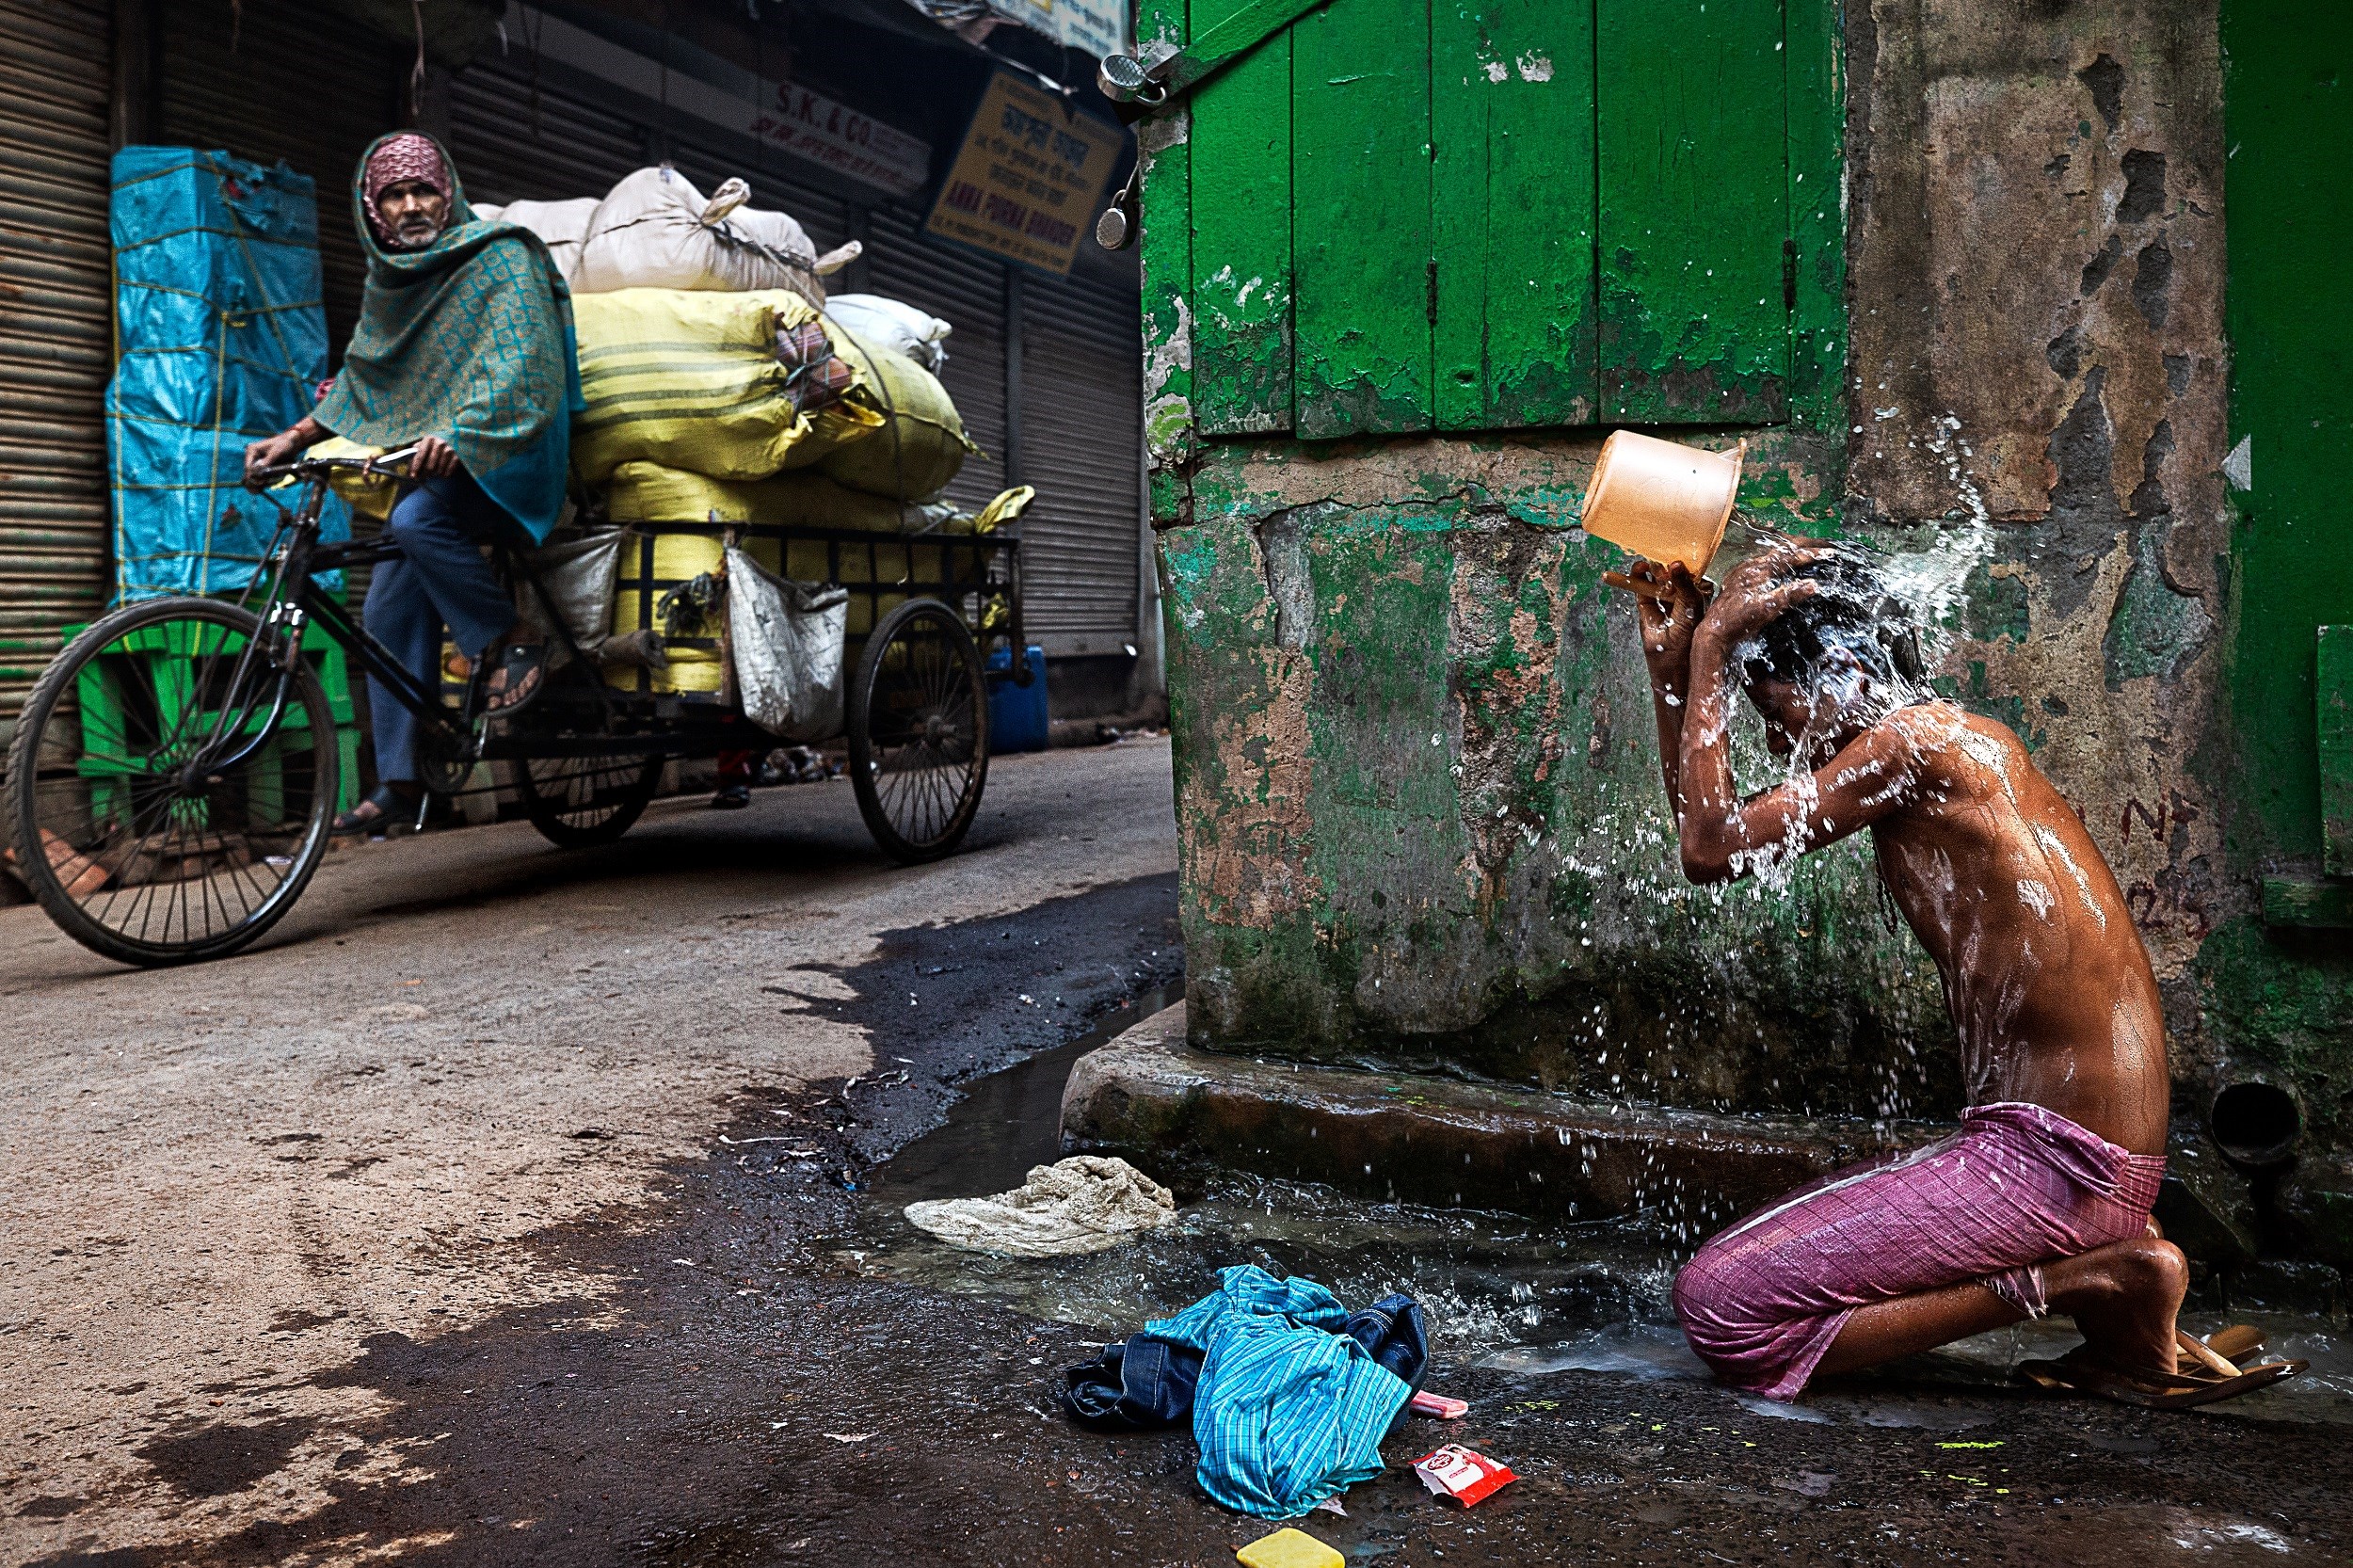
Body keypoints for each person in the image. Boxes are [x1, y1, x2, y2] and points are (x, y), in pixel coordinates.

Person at [1625, 542, 2297, 1408]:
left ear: (1851, 669)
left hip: (2059, 1164)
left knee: (1723, 1309)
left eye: (1777, 705)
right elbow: (1710, 825)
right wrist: (1674, 668)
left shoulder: (1921, 744)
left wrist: (1714, 649)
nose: (1775, 736)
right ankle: (2119, 1309)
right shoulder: (1934, 748)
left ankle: (2095, 1278)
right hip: (2070, 1157)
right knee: (1765, 1265)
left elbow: (1708, 848)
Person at [245, 133, 580, 835]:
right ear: (374, 209)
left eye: (423, 189)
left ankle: (506, 634)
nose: (411, 206)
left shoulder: (501, 257)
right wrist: (296, 437)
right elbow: (366, 383)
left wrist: (464, 432)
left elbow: (523, 367)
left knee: (414, 523)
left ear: (448, 191)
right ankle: (401, 781)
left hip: (511, 447)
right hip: (439, 462)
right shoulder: (390, 280)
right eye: (394, 195)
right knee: (386, 608)